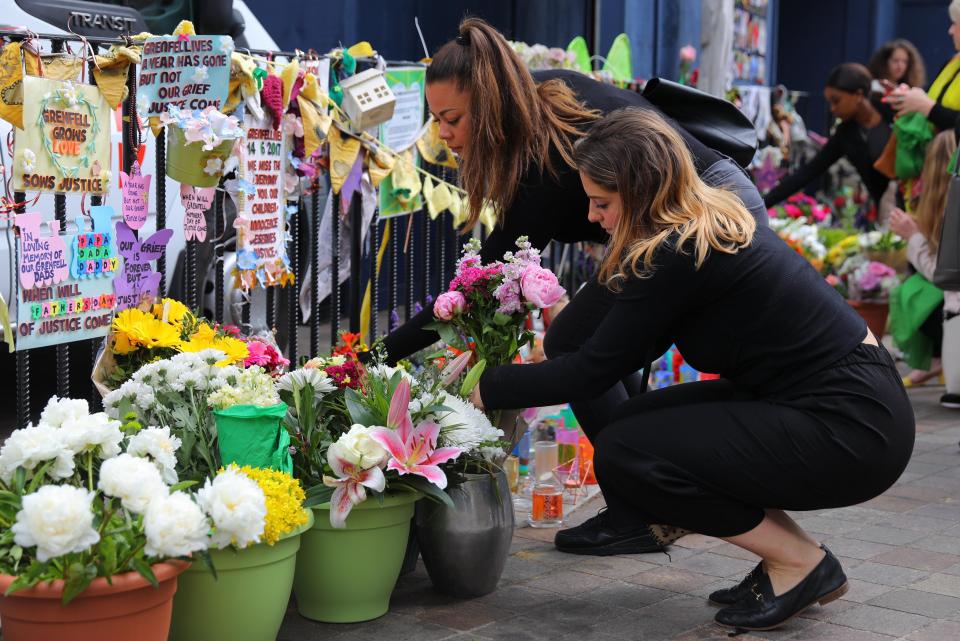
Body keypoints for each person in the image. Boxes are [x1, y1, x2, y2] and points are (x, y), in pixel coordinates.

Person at [470, 108, 914, 631]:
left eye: (603, 202)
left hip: (855, 426)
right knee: (629, 433)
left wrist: (485, 386)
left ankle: (800, 563)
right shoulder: (691, 229)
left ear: (638, 193)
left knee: (629, 450)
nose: (592, 216)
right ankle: (796, 557)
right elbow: (611, 349)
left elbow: (590, 372)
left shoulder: (678, 249)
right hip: (841, 404)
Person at [373, 17, 767, 556]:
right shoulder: (546, 94)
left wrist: (379, 355)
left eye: (452, 118)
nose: (442, 134)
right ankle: (644, 498)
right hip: (702, 207)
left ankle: (644, 502)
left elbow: (481, 282)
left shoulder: (543, 156)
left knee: (576, 351)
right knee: (579, 345)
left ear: (488, 108)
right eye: (436, 119)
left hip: (708, 215)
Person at [889, 131, 960, 407]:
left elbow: (944, 275)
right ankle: (940, 361)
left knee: (912, 292)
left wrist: (913, 237)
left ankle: (941, 361)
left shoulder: (945, 205)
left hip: (954, 306)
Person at [764, 63, 891, 208]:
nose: (832, 108)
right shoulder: (845, 135)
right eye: (830, 102)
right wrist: (762, 204)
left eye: (836, 101)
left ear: (858, 95)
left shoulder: (890, 110)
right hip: (891, 211)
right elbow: (808, 172)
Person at [886, 1, 960, 131]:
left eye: (954, 23)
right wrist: (910, 97)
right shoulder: (952, 63)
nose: (950, 30)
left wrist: (926, 106)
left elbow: (933, 108)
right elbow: (934, 101)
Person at [869, 39, 926, 122]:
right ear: (884, 62)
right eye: (895, 61)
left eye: (905, 62)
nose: (900, 66)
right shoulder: (874, 87)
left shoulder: (910, 90)